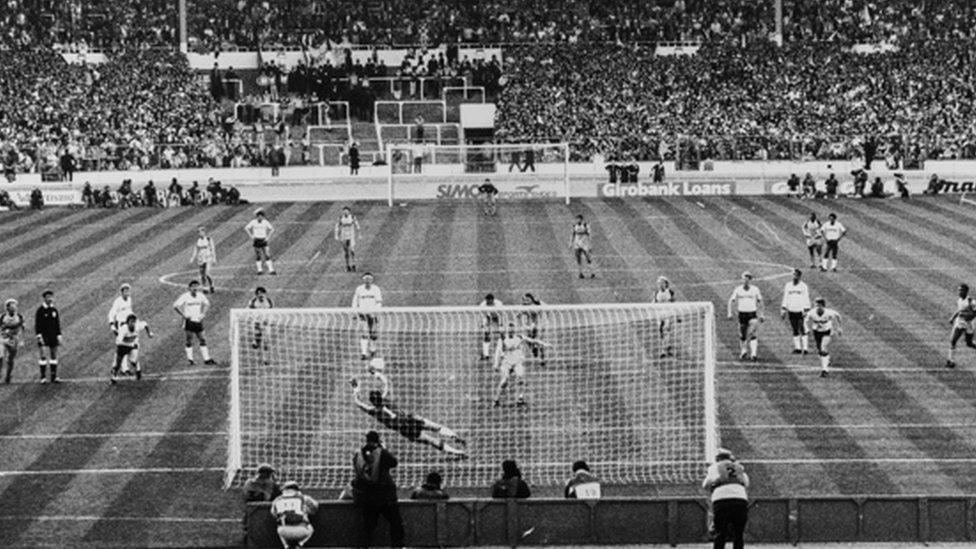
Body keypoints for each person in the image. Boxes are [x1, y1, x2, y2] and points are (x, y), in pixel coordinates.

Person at [351, 366, 467, 457]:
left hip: (405, 430)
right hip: (411, 419)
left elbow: (359, 403)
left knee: (431, 440)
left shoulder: (374, 411)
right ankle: (454, 435)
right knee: (436, 427)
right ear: (380, 397)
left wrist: (356, 389)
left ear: (372, 402)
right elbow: (386, 382)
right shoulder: (385, 398)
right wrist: (376, 373)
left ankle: (457, 452)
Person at [351, 430, 405, 548]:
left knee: (368, 526)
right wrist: (384, 448)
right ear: (378, 440)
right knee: (396, 523)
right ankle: (398, 546)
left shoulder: (358, 454)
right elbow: (394, 462)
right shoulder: (382, 452)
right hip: (385, 496)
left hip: (367, 496)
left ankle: (364, 546)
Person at [493, 322, 549, 407]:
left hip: (517, 363)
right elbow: (497, 352)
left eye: (512, 330)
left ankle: (520, 399)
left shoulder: (519, 337)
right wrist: (496, 363)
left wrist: (543, 344)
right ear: (507, 330)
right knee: (504, 381)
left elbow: (532, 340)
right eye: (509, 330)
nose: (511, 332)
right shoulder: (502, 339)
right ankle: (496, 399)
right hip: (506, 363)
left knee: (521, 378)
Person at [702, 448, 749, 549]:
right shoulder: (739, 467)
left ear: (717, 458)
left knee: (720, 532)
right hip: (740, 499)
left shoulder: (714, 467)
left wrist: (715, 483)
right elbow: (746, 483)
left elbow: (705, 484)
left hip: (721, 499)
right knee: (738, 533)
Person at [173, 280, 216, 366]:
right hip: (189, 321)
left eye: (197, 286)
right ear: (189, 288)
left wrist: (203, 313)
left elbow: (207, 304)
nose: (195, 288)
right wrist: (183, 314)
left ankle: (207, 359)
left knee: (202, 339)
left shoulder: (201, 296)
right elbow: (175, 306)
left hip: (198, 320)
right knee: (189, 340)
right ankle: (190, 359)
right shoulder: (185, 296)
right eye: (193, 286)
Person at [270, 480, 319, 549]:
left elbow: (273, 514)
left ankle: (286, 546)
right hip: (301, 531)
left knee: (279, 526)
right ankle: (300, 544)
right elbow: (315, 507)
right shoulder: (303, 498)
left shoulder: (277, 499)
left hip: (283, 531)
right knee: (310, 528)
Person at [727, 272, 764, 361]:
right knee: (742, 334)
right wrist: (729, 312)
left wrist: (762, 314)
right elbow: (731, 301)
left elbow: (760, 301)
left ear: (750, 280)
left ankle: (753, 354)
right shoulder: (738, 290)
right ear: (742, 280)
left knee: (752, 333)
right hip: (742, 314)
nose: (746, 281)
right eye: (744, 279)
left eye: (748, 279)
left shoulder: (755, 289)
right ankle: (743, 351)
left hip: (752, 314)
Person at [111, 313, 153, 383]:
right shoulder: (123, 329)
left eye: (134, 321)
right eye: (131, 322)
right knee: (117, 365)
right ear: (127, 323)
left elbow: (145, 324)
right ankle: (113, 377)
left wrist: (149, 333)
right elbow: (118, 342)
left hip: (133, 345)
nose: (133, 324)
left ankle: (138, 370)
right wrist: (129, 345)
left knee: (133, 361)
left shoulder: (138, 326)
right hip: (122, 347)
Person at [805, 298, 842, 378]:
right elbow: (805, 320)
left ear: (822, 306)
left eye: (817, 305)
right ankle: (827, 360)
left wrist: (839, 327)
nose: (816, 307)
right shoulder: (812, 313)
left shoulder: (829, 312)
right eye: (815, 305)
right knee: (820, 351)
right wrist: (806, 329)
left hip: (827, 331)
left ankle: (825, 370)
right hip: (816, 332)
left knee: (823, 348)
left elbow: (838, 316)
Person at [34, 290, 63, 383]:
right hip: (43, 335)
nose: (50, 299)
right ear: (44, 298)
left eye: (51, 297)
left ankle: (54, 376)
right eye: (48, 297)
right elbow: (37, 324)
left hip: (53, 335)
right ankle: (43, 377)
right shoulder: (40, 310)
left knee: (53, 354)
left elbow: (57, 323)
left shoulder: (54, 310)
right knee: (43, 355)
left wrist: (59, 335)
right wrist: (39, 336)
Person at [352, 273, 383, 359]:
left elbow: (379, 302)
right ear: (363, 280)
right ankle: (364, 353)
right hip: (363, 314)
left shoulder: (376, 289)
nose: (367, 281)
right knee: (364, 333)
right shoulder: (359, 289)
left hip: (373, 314)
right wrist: (354, 311)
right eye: (366, 279)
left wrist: (376, 312)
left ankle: (373, 349)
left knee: (373, 333)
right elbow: (355, 301)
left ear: (372, 280)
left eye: (369, 279)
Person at [780, 269, 811, 355]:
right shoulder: (788, 285)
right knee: (794, 328)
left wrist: (806, 310)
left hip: (800, 310)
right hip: (791, 310)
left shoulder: (803, 286)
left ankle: (805, 348)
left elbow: (806, 298)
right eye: (793, 275)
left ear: (799, 276)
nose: (794, 277)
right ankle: (797, 348)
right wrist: (783, 309)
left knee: (802, 328)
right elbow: (785, 297)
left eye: (796, 275)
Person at [947, 284, 976, 369]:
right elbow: (959, 310)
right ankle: (951, 361)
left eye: (962, 290)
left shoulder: (971, 301)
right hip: (960, 322)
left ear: (966, 291)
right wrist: (953, 317)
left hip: (969, 323)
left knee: (969, 343)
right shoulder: (959, 300)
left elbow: (975, 313)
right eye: (959, 290)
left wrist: (968, 315)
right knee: (953, 340)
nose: (959, 292)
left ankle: (951, 360)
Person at [245, 208, 277, 275]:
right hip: (257, 240)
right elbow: (246, 228)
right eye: (258, 216)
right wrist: (251, 236)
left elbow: (272, 229)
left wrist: (268, 237)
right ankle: (259, 270)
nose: (260, 217)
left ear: (263, 216)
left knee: (267, 255)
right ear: (257, 216)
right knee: (258, 255)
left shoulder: (265, 222)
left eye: (261, 216)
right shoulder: (253, 222)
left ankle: (271, 270)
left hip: (263, 240)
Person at [1, 299, 25, 384]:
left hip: (14, 340)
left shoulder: (19, 316)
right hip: (3, 339)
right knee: (0, 357)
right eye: (12, 306)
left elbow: (22, 328)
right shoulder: (2, 316)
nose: (14, 307)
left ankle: (8, 376)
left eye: (15, 305)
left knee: (10, 359)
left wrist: (22, 340)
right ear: (7, 307)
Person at [190, 226, 217, 294]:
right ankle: (204, 288)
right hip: (201, 259)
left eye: (200, 232)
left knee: (207, 273)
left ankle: (212, 285)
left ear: (204, 232)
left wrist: (214, 258)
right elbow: (195, 249)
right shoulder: (198, 240)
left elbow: (213, 249)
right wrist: (192, 258)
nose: (199, 233)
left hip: (208, 258)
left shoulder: (209, 239)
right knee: (202, 275)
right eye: (198, 232)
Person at [520, 293, 546, 366]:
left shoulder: (538, 304)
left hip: (539, 325)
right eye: (524, 300)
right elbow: (518, 315)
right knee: (528, 341)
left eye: (527, 300)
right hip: (530, 326)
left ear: (532, 299)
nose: (526, 301)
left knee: (540, 342)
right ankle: (534, 349)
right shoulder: (524, 307)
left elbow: (545, 310)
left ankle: (542, 359)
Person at [334, 206, 360, 272]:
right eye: (344, 211)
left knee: (352, 250)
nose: (345, 212)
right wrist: (336, 235)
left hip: (351, 236)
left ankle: (354, 265)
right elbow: (337, 226)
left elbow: (357, 225)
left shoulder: (352, 217)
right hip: (344, 236)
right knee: (346, 252)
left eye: (346, 211)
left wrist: (359, 234)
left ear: (349, 211)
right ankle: (347, 266)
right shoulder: (340, 218)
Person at [655, 276, 676, 357]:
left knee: (666, 330)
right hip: (659, 314)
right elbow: (654, 302)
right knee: (661, 332)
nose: (660, 285)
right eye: (659, 283)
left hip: (668, 313)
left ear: (666, 284)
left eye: (662, 283)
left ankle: (664, 350)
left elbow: (674, 302)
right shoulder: (656, 293)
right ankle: (666, 348)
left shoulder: (670, 292)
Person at [248, 286, 274, 353]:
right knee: (256, 344)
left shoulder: (269, 301)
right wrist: (253, 320)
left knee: (266, 342)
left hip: (266, 323)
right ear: (256, 295)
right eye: (259, 294)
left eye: (263, 293)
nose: (261, 295)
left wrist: (269, 320)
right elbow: (249, 313)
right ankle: (256, 342)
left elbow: (272, 312)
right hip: (257, 324)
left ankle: (265, 360)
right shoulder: (253, 302)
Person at [570, 214, 595, 279]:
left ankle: (592, 273)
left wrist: (590, 245)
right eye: (577, 219)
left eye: (579, 219)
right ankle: (580, 273)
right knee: (578, 260)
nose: (578, 220)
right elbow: (572, 234)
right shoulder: (574, 226)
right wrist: (570, 243)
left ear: (581, 219)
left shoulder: (586, 226)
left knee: (588, 259)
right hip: (577, 245)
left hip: (585, 245)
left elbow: (590, 235)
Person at [479, 293, 503, 360]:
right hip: (488, 317)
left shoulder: (499, 304)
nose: (489, 303)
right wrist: (484, 324)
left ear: (493, 300)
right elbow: (484, 316)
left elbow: (500, 315)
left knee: (501, 335)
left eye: (490, 302)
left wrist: (500, 325)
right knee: (486, 335)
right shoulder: (482, 305)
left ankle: (502, 353)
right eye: (487, 302)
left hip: (498, 317)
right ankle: (486, 354)